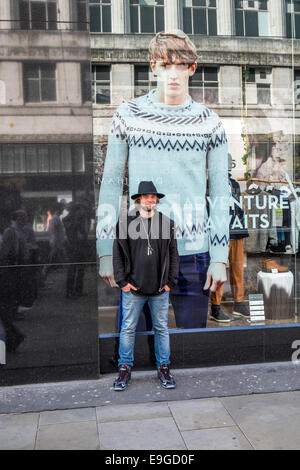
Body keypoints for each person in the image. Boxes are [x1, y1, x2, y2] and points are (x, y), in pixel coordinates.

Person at [97, 30, 229, 330]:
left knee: (192, 346)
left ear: (191, 68)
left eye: (180, 65)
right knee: (135, 348)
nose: (173, 74)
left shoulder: (210, 122)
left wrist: (220, 256)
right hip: (139, 251)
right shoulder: (127, 115)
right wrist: (105, 250)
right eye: (165, 65)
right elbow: (111, 184)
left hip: (193, 254)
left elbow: (221, 193)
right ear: (153, 67)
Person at [113, 181, 179, 390]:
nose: (150, 200)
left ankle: (164, 368)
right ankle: (124, 369)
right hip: (133, 289)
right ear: (138, 199)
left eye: (153, 197)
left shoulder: (166, 223)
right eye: (146, 196)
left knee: (161, 328)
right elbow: (118, 254)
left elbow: (174, 254)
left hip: (160, 289)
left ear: (156, 200)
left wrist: (170, 282)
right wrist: (122, 282)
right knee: (128, 329)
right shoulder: (126, 222)